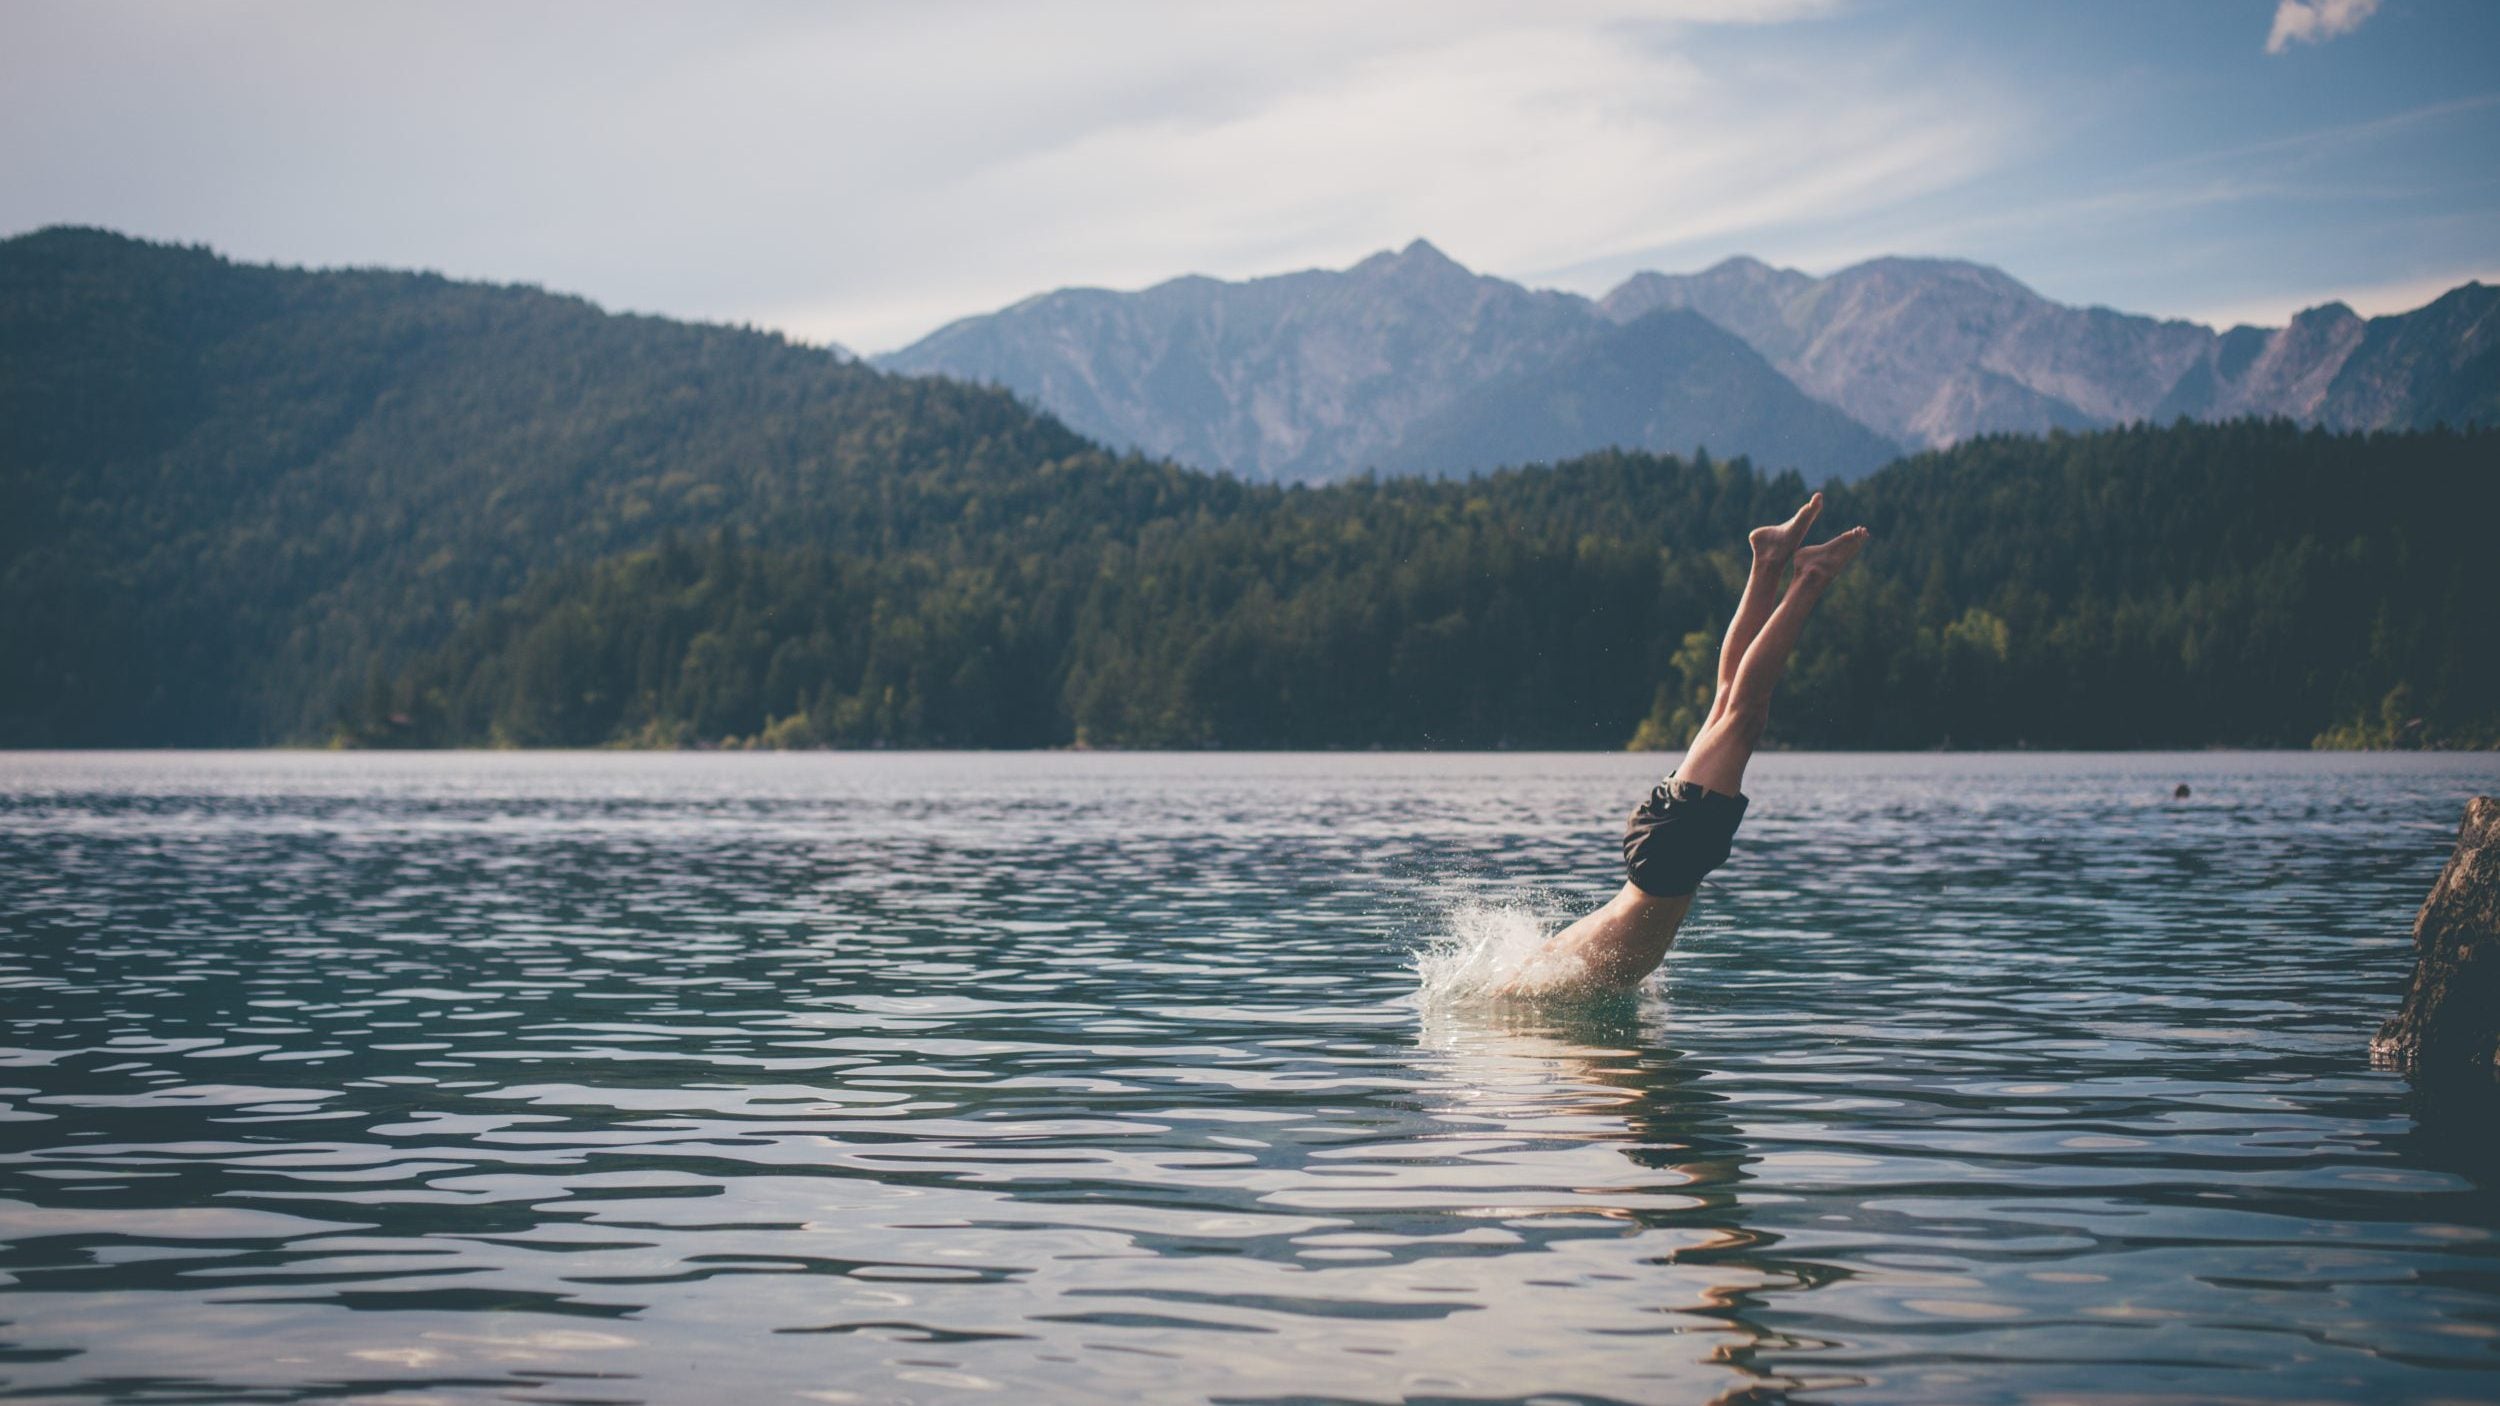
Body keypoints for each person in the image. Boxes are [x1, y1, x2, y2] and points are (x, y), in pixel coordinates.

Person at [1507, 493, 1868, 995]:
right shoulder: (1539, 974)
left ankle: (1809, 577)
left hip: (1666, 859)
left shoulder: (1527, 994)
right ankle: (1768, 560)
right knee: (1727, 705)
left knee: (1744, 717)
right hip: (1662, 855)